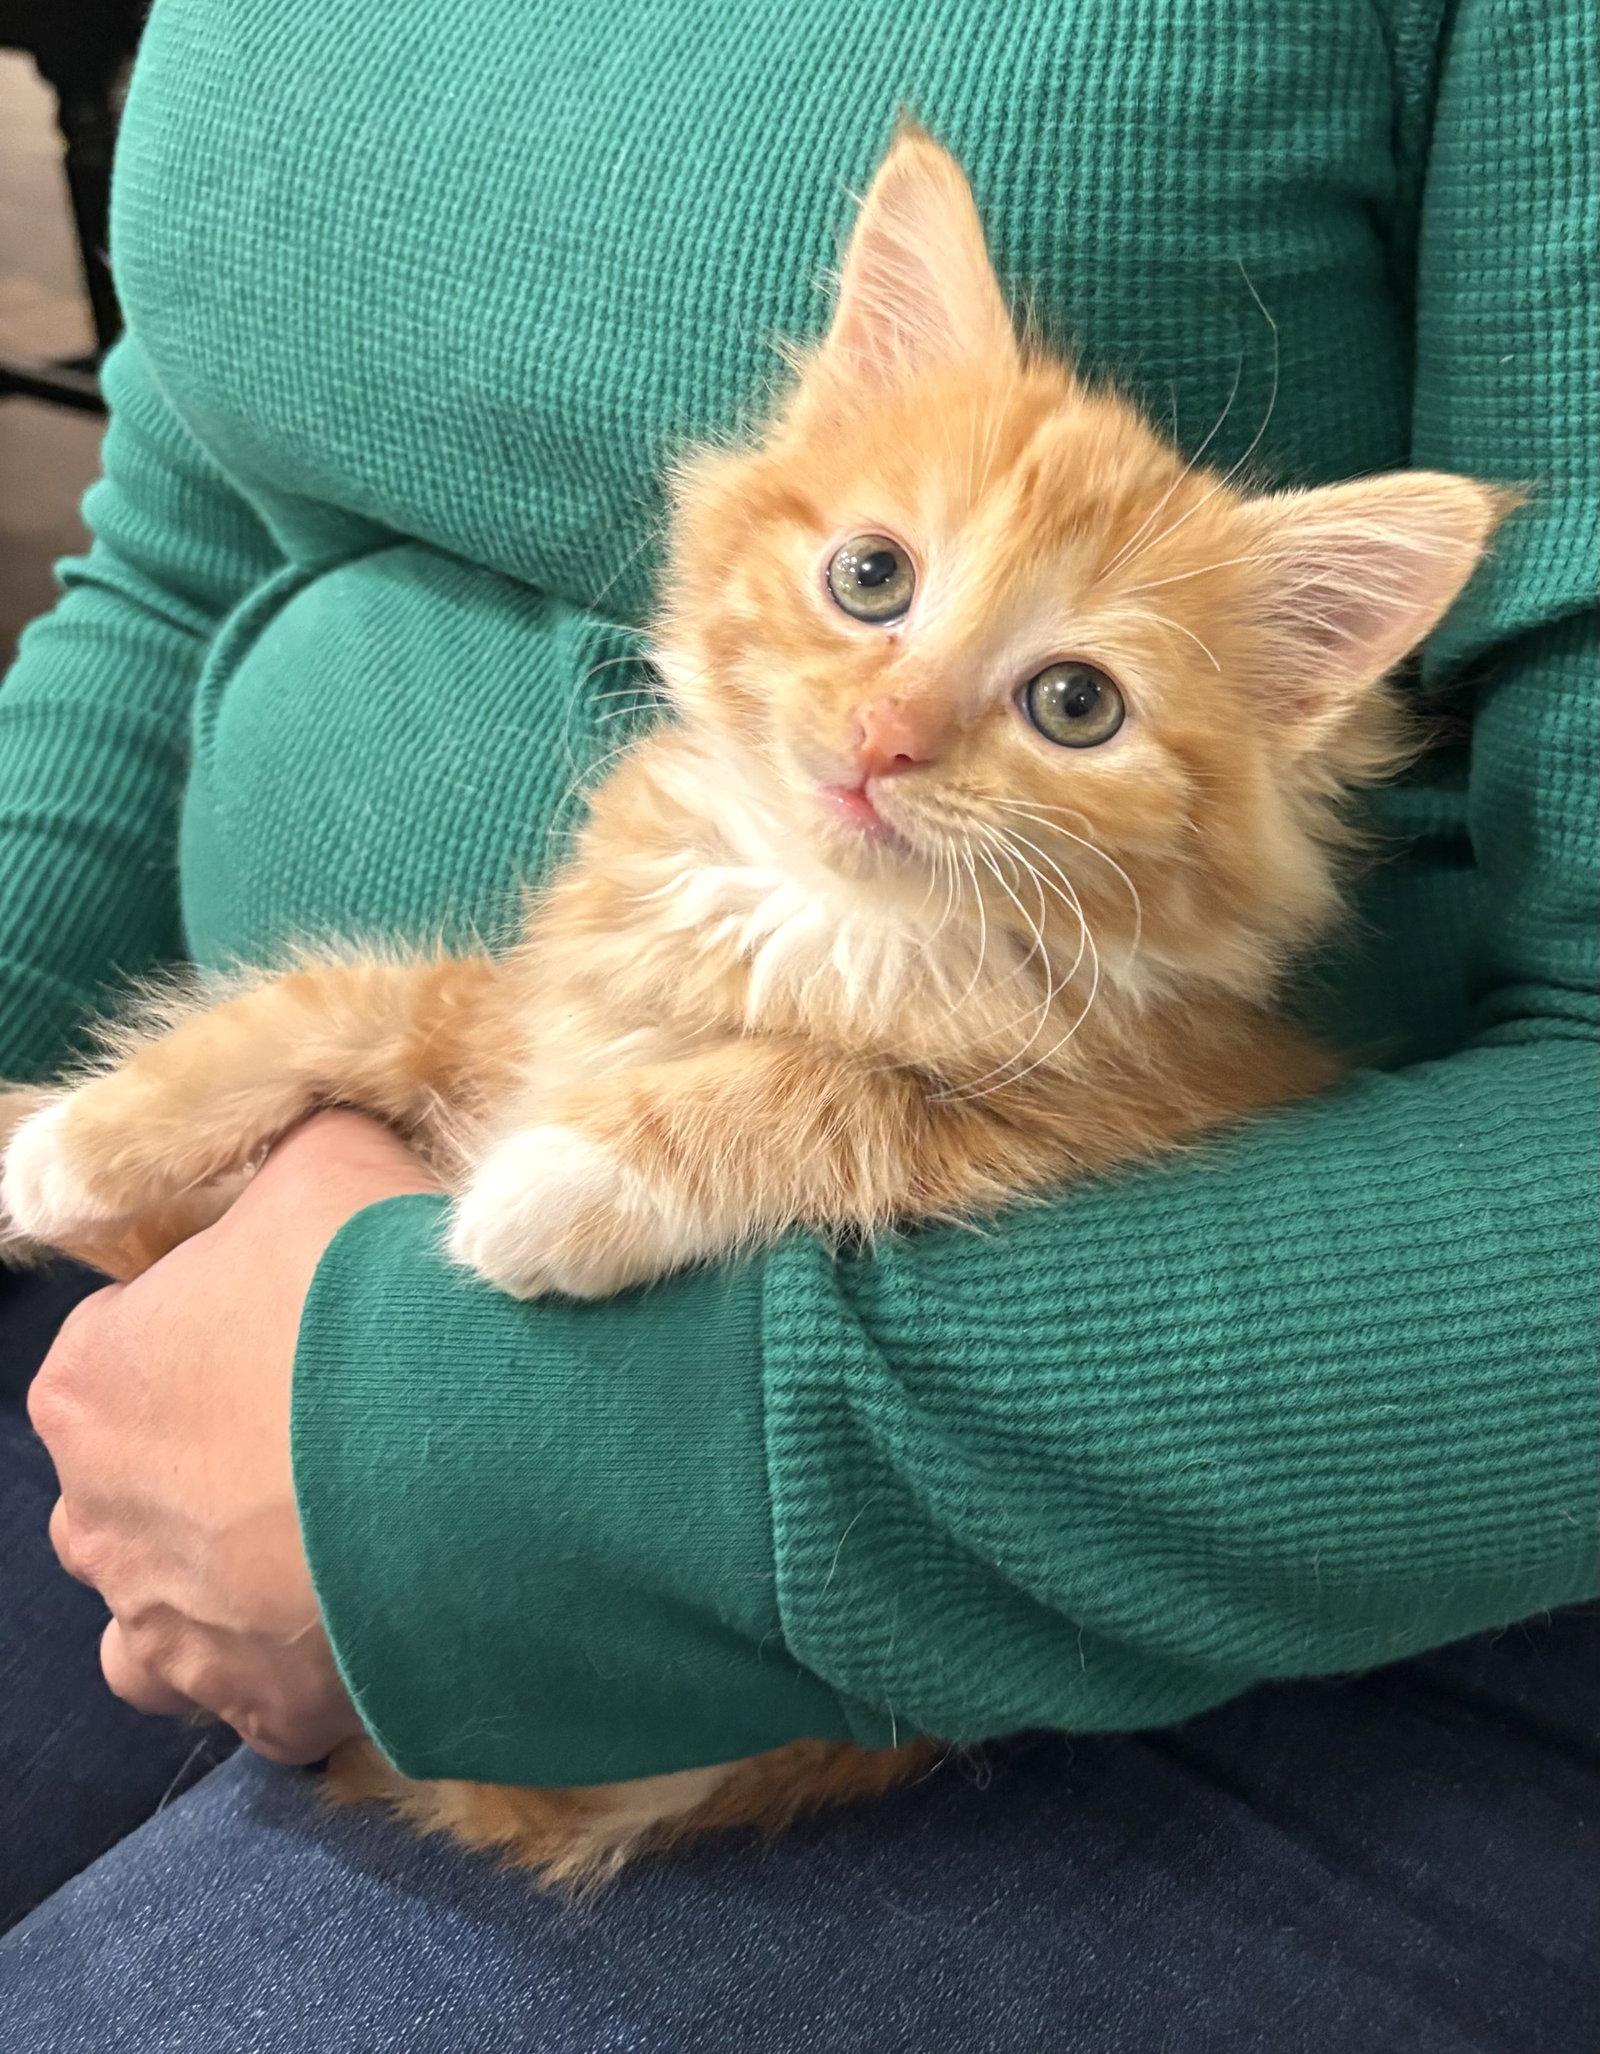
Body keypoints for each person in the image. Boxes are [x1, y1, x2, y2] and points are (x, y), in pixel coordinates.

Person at [0, 0, 1595, 2045]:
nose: (891, 729)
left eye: (1072, 699)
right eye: (872, 582)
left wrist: (456, 1472)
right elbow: (182, 544)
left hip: (1139, 1514)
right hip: (257, 1242)